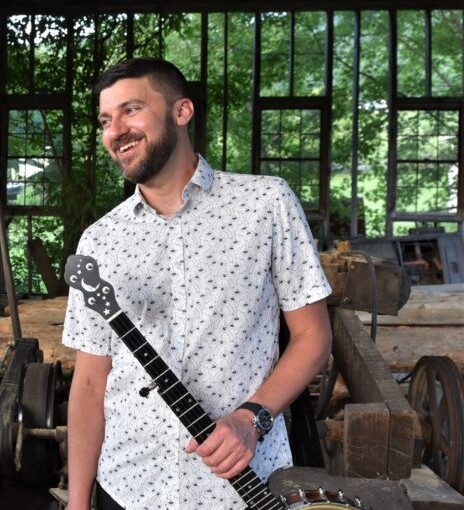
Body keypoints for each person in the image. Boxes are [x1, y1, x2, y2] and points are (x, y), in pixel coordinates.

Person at [63, 57, 333, 509]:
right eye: (106, 120)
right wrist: (76, 501)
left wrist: (252, 418)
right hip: (130, 485)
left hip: (242, 487)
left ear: (182, 111)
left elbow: (313, 336)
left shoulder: (265, 204)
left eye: (131, 110)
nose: (116, 131)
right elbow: (91, 383)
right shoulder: (99, 241)